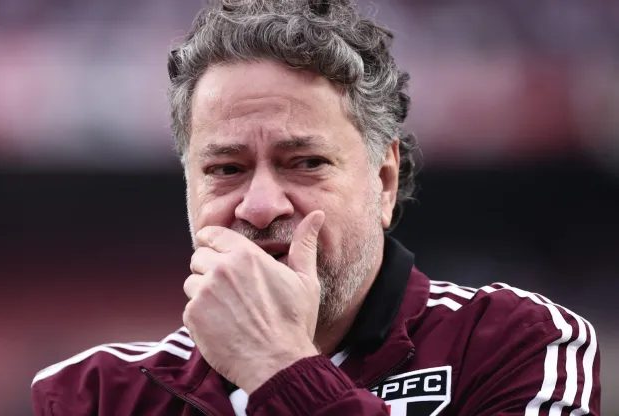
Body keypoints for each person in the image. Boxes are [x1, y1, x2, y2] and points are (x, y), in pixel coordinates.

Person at [31, 1, 601, 414]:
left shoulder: (516, 342)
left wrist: (279, 367)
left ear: (383, 179)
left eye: (303, 162)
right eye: (225, 169)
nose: (258, 206)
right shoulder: (96, 393)